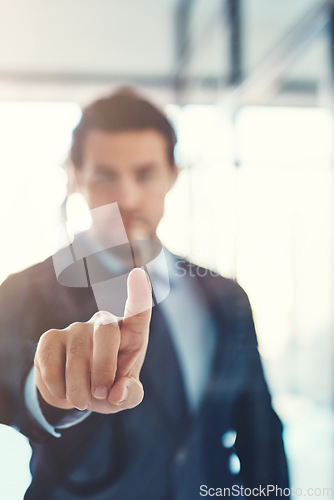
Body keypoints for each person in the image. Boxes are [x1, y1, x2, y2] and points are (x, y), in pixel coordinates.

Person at [0, 88, 289, 499]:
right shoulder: (24, 291)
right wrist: (50, 390)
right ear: (76, 176)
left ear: (173, 175)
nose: (128, 198)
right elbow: (10, 383)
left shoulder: (225, 297)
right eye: (105, 176)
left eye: (145, 174)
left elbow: (260, 431)